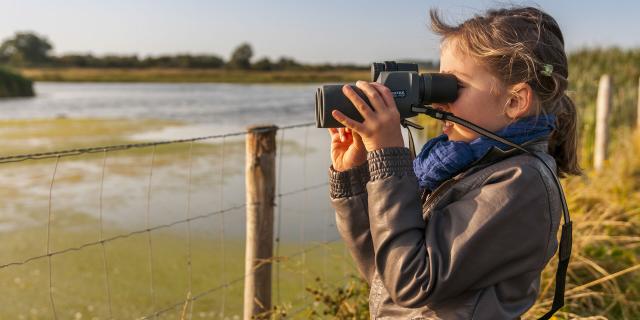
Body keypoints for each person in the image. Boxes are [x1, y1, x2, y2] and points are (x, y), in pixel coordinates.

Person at [327, 6, 580, 319]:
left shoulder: (519, 184)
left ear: (514, 101)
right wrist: (354, 177)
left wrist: (389, 159)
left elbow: (410, 281)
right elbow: (384, 273)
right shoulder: (455, 166)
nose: (436, 101)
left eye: (453, 86)